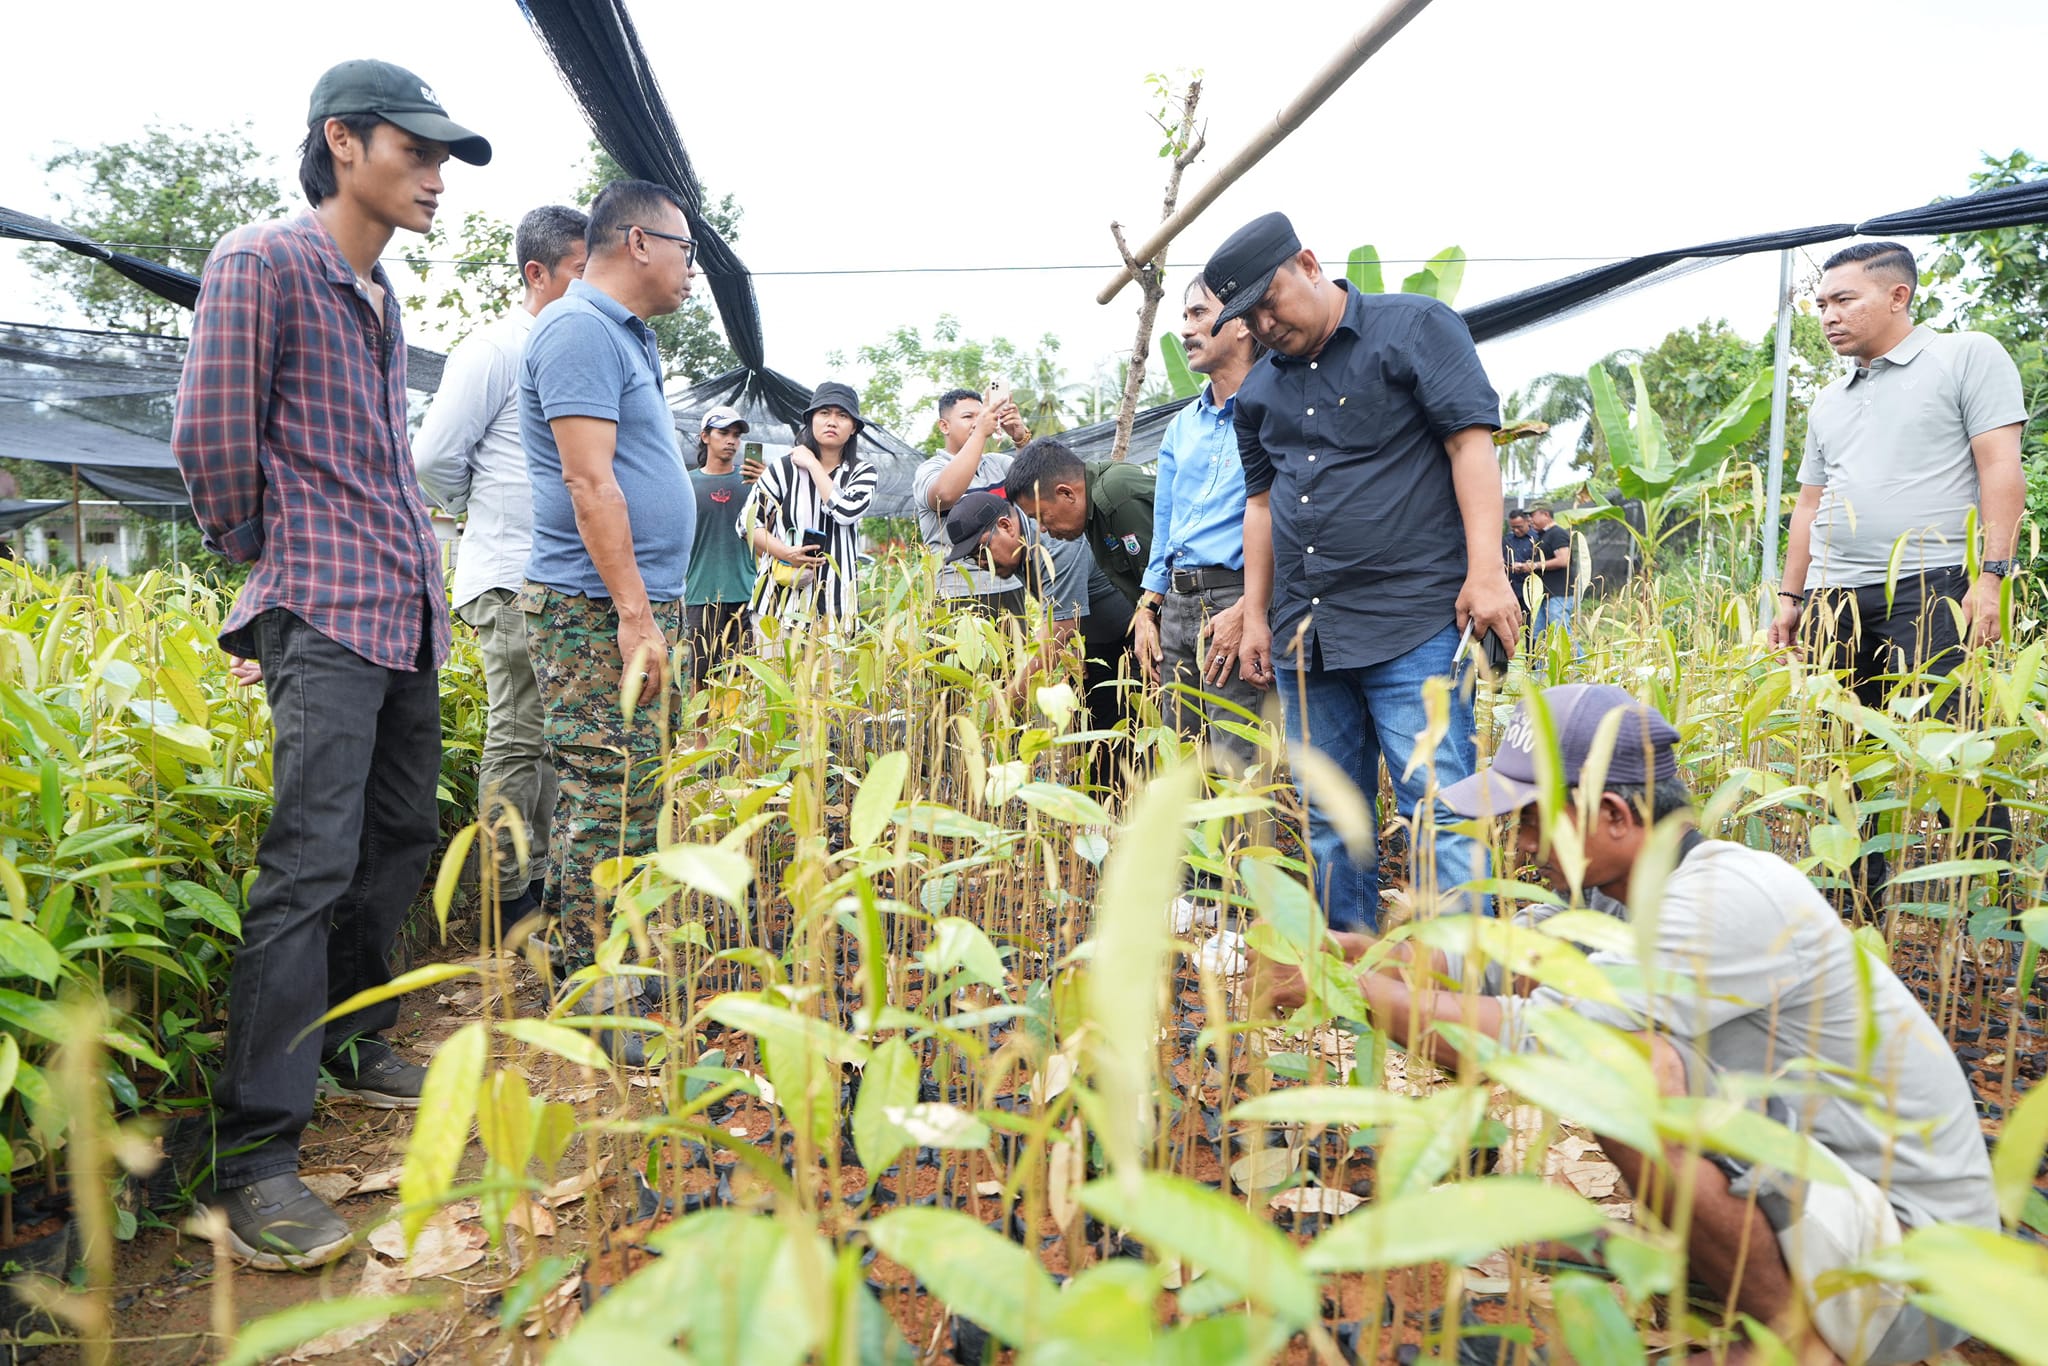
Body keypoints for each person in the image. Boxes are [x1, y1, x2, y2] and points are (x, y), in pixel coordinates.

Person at [1258, 685, 1997, 1365]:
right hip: (1840, 1216)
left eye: (1529, 822)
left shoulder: (1723, 900)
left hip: (1917, 1268)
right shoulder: (1624, 894)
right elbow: (1494, 967)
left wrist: (1358, 993)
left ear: (1611, 814)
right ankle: (1728, 1273)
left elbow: (1537, 1040)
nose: (1516, 847)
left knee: (1622, 1066)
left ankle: (1799, 1342)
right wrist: (1371, 955)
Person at [170, 58, 490, 1269]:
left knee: (399, 834)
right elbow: (208, 438)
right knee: (304, 866)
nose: (437, 176)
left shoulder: (379, 293)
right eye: (418, 151)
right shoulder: (261, 261)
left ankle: (359, 1037)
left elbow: (377, 465)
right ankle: (257, 1158)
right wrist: (278, 570)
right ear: (342, 142)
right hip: (325, 608)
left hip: (404, 612)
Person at [1210, 210, 1518, 932]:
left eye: (1269, 301)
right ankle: (1344, 997)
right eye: (1247, 316)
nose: (1263, 323)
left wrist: (1487, 571)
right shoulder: (1257, 394)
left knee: (1440, 810)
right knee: (1327, 816)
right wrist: (1255, 612)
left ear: (1310, 265)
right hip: (1306, 639)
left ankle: (1453, 995)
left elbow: (1470, 446)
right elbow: (1262, 506)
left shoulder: (1416, 329)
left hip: (1414, 625)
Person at [1766, 240, 2026, 904]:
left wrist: (1990, 577)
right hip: (1831, 595)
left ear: (1898, 296)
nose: (1827, 316)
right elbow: (1808, 505)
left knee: (1952, 749)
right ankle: (1857, 902)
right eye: (1820, 303)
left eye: (1843, 300)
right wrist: (1791, 597)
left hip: (1933, 584)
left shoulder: (1966, 356)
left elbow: (2000, 468)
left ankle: (1988, 915)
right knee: (1842, 752)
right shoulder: (1828, 399)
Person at [517, 179, 697, 1004]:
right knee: (608, 787)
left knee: (631, 784)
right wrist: (632, 612)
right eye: (687, 251)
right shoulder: (579, 329)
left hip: (629, 602)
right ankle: (597, 987)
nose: (691, 271)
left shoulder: (626, 337)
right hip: (595, 608)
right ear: (638, 243)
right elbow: (590, 483)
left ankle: (583, 957)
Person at [414, 204, 587, 927]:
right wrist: (482, 506)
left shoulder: (581, 347)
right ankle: (506, 895)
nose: (592, 287)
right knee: (518, 732)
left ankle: (533, 879)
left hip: (561, 576)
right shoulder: (495, 349)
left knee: (550, 736)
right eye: (581, 273)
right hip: (511, 574)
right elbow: (432, 459)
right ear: (536, 273)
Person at [1133, 277, 1268, 770]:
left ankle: (1242, 852)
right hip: (1178, 603)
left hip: (1235, 598)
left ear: (1241, 325)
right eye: (1184, 316)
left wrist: (1252, 609)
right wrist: (1149, 606)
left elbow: (1284, 516)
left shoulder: (1273, 409)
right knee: (1182, 760)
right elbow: (1165, 526)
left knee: (1237, 760)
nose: (1186, 329)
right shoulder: (1181, 426)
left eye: (1197, 314)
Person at [740, 382, 880, 640]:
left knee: (834, 682)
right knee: (774, 679)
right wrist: (786, 553)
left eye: (842, 415)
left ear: (854, 429)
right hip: (777, 606)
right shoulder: (782, 470)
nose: (832, 421)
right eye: (824, 413)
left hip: (836, 612)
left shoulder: (862, 472)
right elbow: (747, 524)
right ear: (811, 420)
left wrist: (812, 465)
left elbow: (846, 511)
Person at [913, 386, 1034, 612]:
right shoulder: (930, 470)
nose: (977, 423)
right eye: (968, 417)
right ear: (944, 426)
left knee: (1015, 649)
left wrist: (1020, 437)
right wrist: (979, 433)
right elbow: (945, 495)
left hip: (1010, 586)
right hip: (956, 592)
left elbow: (1041, 486)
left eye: (981, 417)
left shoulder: (998, 464)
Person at [685, 405, 759, 684]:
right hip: (700, 595)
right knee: (700, 681)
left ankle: (736, 730)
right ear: (705, 436)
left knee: (742, 683)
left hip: (744, 594)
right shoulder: (687, 484)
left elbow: (775, 529)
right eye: (723, 432)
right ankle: (702, 731)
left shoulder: (752, 482)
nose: (732, 440)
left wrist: (767, 486)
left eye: (737, 435)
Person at [1528, 504, 1576, 654]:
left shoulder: (1557, 533)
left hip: (1558, 594)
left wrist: (1534, 565)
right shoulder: (1543, 535)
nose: (1530, 520)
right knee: (1538, 635)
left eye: (1532, 515)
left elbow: (1563, 560)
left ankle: (1580, 669)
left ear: (1545, 515)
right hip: (1543, 595)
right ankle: (1539, 674)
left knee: (1560, 634)